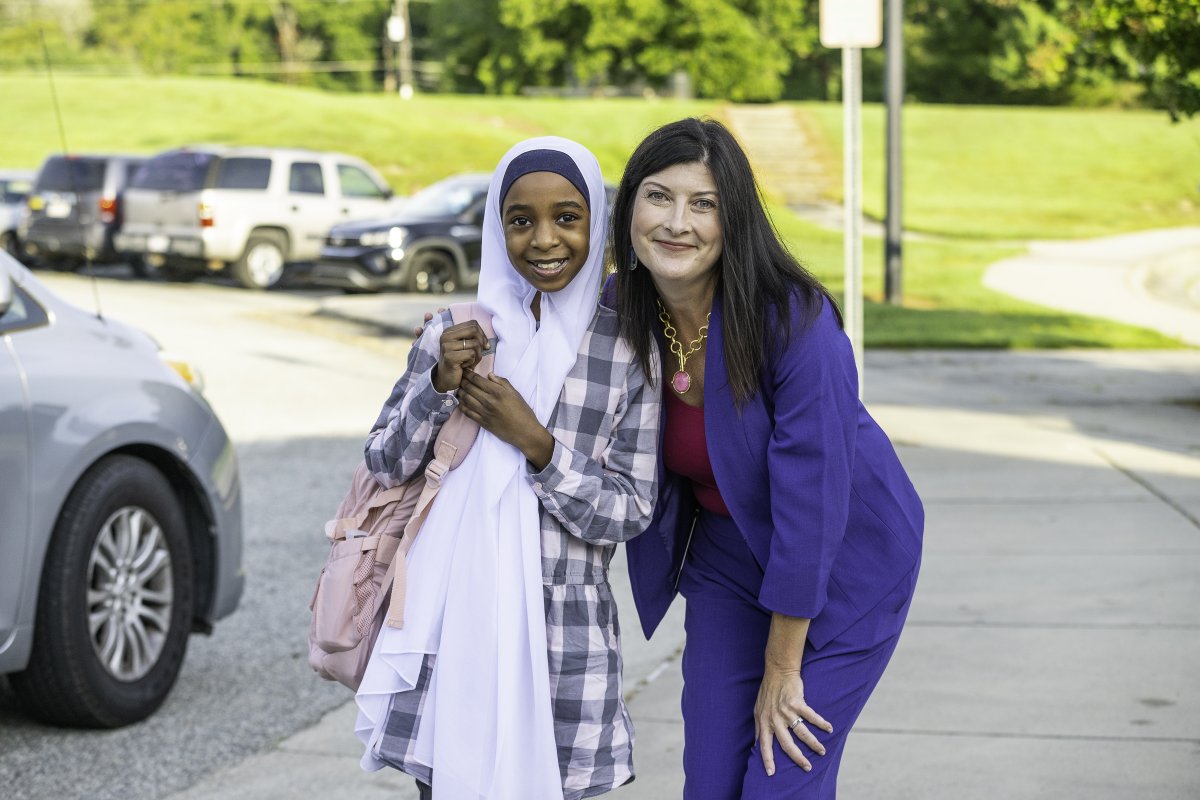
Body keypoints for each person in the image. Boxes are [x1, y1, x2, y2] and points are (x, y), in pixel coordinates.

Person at [610, 118, 923, 799]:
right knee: (713, 779)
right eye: (659, 196)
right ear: (629, 203)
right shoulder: (619, 314)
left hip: (847, 561)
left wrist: (784, 668)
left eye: (705, 204)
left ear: (734, 220)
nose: (677, 223)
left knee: (781, 778)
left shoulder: (795, 323)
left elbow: (812, 510)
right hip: (727, 557)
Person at [354, 137, 660, 800]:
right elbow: (385, 459)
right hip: (452, 626)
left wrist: (538, 445)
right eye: (521, 220)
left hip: (562, 638)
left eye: (567, 218)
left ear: (598, 223)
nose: (544, 239)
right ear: (499, 227)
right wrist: (438, 380)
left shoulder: (629, 349)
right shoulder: (458, 329)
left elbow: (630, 510)